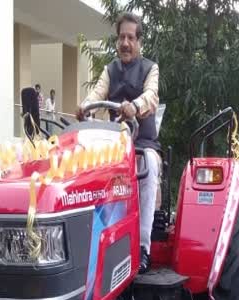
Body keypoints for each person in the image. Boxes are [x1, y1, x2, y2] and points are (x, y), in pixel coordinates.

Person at [76, 12, 160, 273]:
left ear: (139, 42)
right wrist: (84, 106)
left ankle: (143, 247)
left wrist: (135, 106)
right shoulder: (110, 70)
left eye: (131, 38)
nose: (125, 43)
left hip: (142, 143)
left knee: (148, 165)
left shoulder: (150, 69)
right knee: (82, 163)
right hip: (113, 144)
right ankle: (88, 244)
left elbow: (151, 96)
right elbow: (96, 93)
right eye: (122, 37)